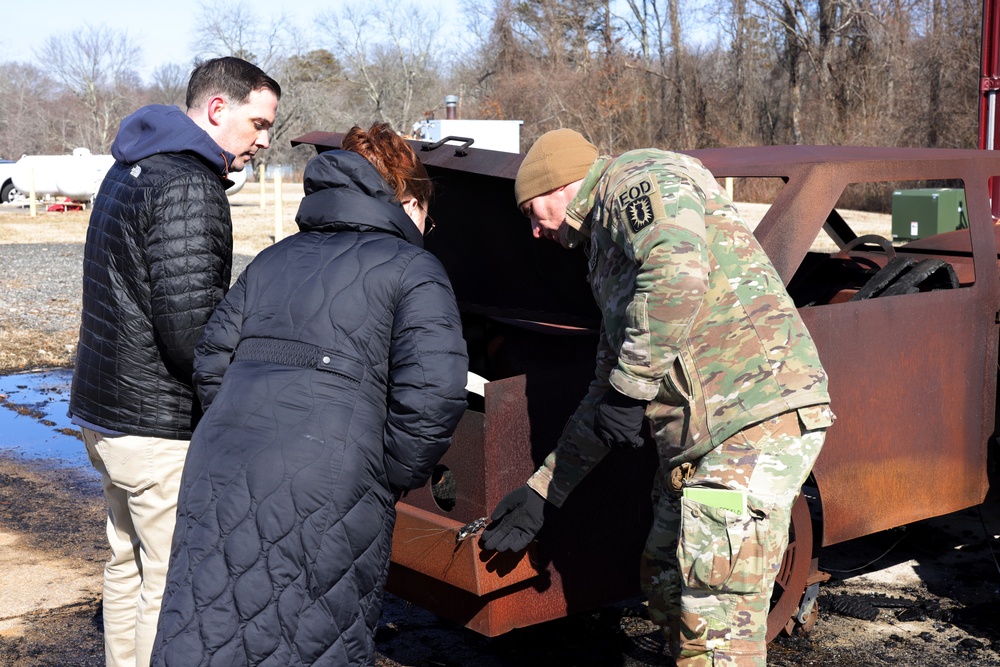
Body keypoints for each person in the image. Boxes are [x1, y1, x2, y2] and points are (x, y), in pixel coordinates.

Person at [478, 128, 834, 666]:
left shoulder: (639, 178)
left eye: (531, 210)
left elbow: (677, 274)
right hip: (701, 438)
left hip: (751, 420)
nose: (532, 229)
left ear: (561, 185)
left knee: (716, 616)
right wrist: (543, 491)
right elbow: (608, 383)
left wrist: (631, 389)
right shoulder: (604, 251)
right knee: (666, 580)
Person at [151, 123, 469, 667]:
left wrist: (237, 423)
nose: (426, 226)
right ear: (408, 200)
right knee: (311, 638)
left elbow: (212, 359)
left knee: (209, 626)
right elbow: (434, 396)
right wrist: (384, 472)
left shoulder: (273, 260)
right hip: (331, 483)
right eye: (426, 213)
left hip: (220, 465)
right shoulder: (413, 269)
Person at [69, 56, 281, 667]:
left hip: (103, 412)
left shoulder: (130, 164)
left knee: (127, 565)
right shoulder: (190, 183)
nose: (264, 140)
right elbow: (192, 332)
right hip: (154, 425)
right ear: (218, 109)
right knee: (169, 582)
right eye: (258, 123)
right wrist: (239, 402)